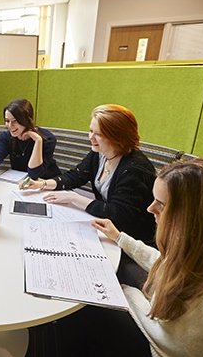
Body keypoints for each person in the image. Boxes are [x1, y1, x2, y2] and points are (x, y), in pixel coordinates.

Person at [57, 158, 203, 357]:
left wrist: (125, 294)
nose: (150, 208)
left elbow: (172, 341)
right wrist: (119, 238)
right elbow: (166, 262)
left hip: (162, 349)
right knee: (120, 272)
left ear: (193, 218)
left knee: (85, 312)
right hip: (166, 329)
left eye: (160, 204)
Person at [21, 104, 156, 286]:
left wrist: (73, 198)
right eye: (90, 131)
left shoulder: (135, 168)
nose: (90, 138)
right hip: (109, 230)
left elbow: (117, 214)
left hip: (130, 240)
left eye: (98, 134)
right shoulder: (100, 153)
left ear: (117, 136)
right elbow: (76, 175)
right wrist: (44, 184)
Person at [0, 98, 60, 190]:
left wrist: (38, 141)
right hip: (21, 183)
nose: (10, 125)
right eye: (7, 121)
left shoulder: (48, 139)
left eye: (15, 121)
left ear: (27, 120)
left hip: (46, 184)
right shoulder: (6, 136)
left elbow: (34, 174)